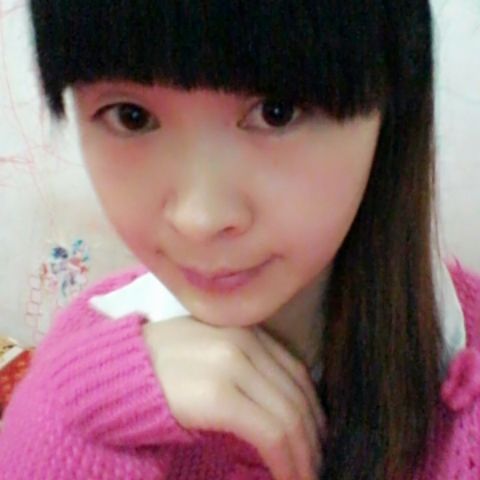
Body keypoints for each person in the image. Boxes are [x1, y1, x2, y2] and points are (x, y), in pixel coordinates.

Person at [1, 0, 479, 479]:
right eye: (131, 116)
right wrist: (74, 415)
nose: (199, 219)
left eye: (277, 112)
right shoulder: (86, 347)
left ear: (391, 100)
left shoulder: (464, 403)